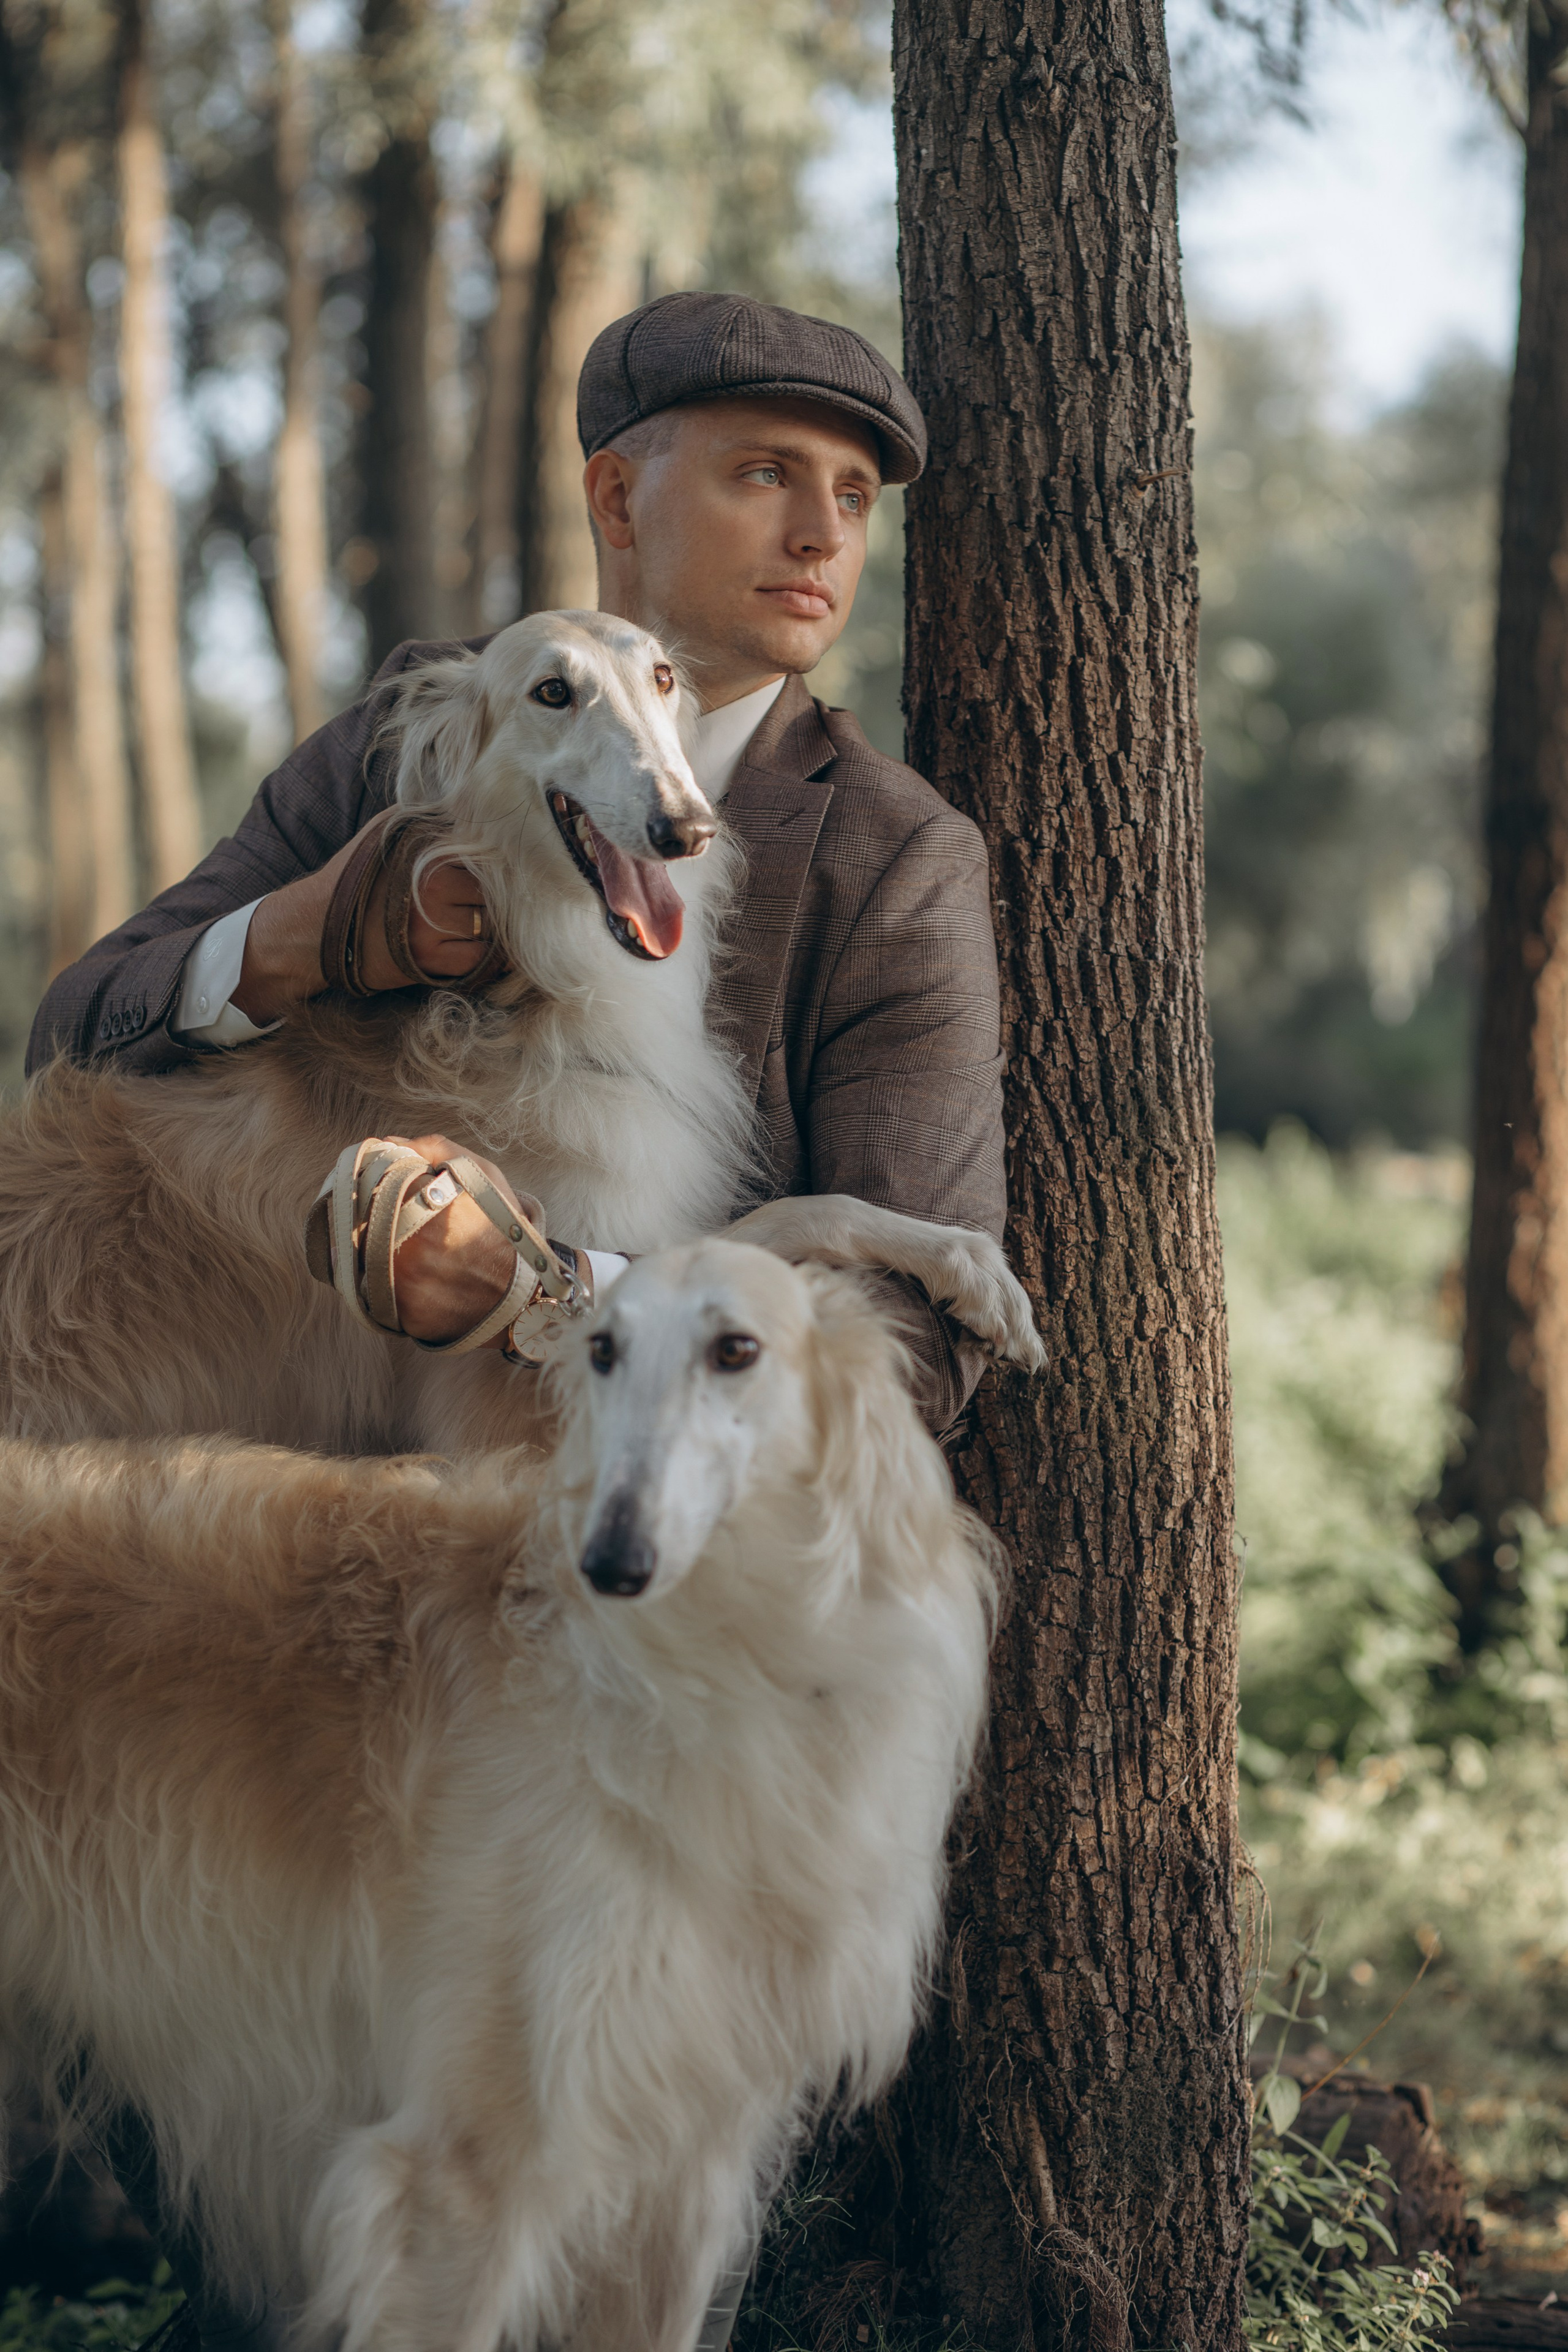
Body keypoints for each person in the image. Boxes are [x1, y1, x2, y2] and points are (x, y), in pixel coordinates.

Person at [29, 289, 1005, 1430]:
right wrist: (304, 933)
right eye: (764, 474)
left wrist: (548, 1291)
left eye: (852, 496)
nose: (822, 535)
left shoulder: (898, 857)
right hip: (258, 1469)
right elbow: (76, 1033)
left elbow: (918, 1344)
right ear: (616, 496)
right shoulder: (406, 735)